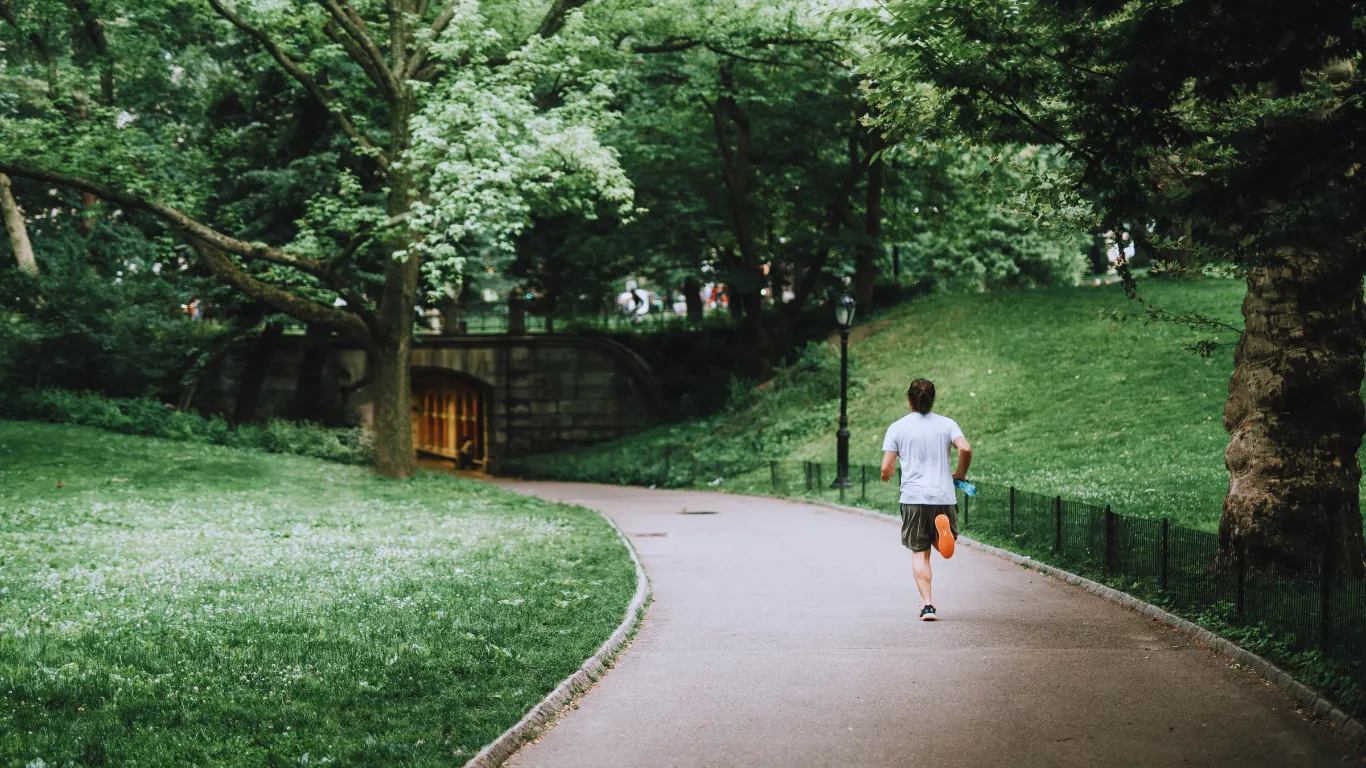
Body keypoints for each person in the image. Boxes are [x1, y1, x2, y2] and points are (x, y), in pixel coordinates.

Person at [880, 378, 972, 621]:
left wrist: (886, 474)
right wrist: (960, 473)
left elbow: (887, 466)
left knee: (919, 551)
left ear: (909, 399)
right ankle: (943, 535)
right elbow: (965, 448)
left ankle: (927, 605)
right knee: (940, 542)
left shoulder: (897, 427)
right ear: (932, 399)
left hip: (914, 498)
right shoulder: (947, 424)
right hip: (943, 495)